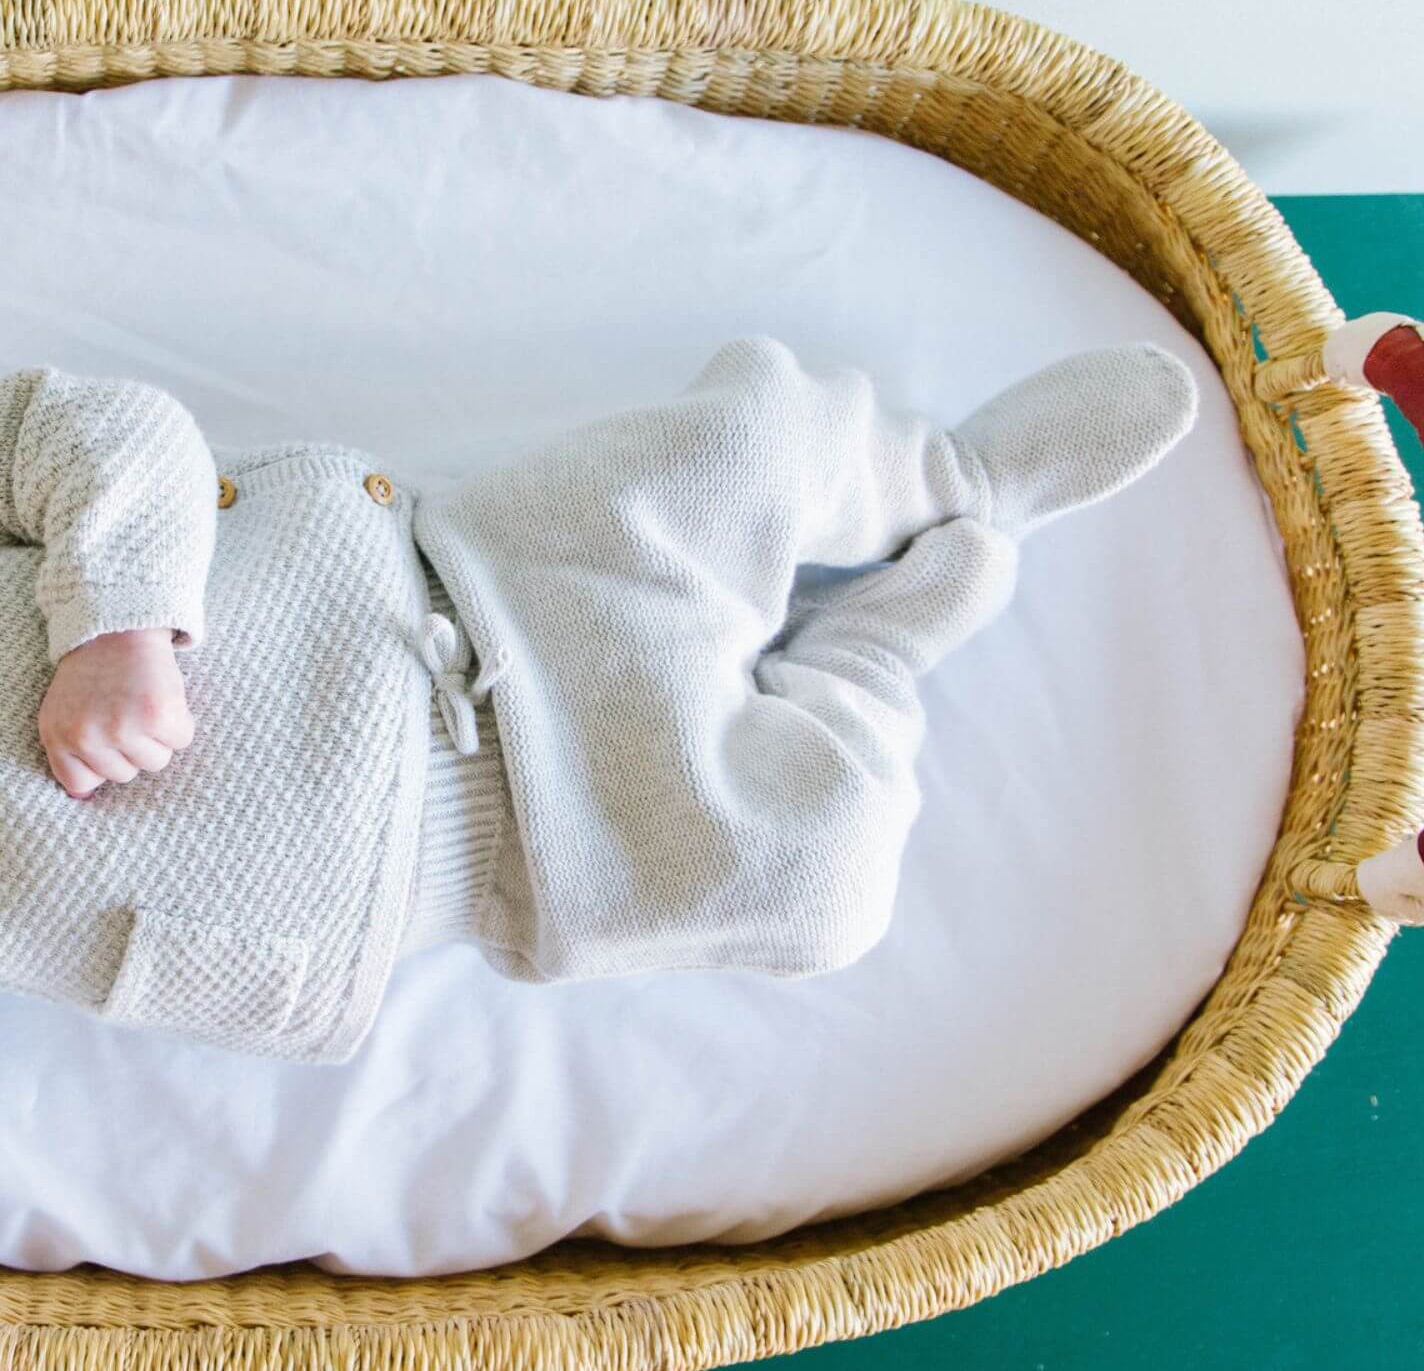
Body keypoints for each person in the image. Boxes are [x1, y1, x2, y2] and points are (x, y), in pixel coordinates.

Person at [0, 336, 1196, 1062]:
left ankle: (953, 477)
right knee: (826, 889)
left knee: (743, 446)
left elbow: (96, 428)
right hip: (529, 861)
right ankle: (881, 643)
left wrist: (117, 619)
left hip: (492, 594)